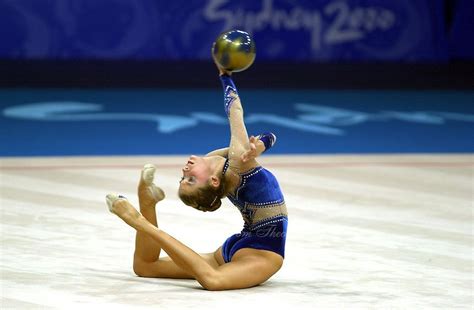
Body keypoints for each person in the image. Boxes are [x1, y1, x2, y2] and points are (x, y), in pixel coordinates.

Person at [106, 65, 288, 291]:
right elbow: (235, 111)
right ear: (213, 182)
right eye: (190, 180)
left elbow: (270, 136)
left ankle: (147, 204)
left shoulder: (225, 159)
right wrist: (225, 76)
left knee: (146, 266)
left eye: (183, 179)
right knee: (210, 279)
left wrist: (261, 144)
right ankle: (145, 212)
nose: (184, 171)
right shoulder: (238, 163)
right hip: (262, 254)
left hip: (244, 247)